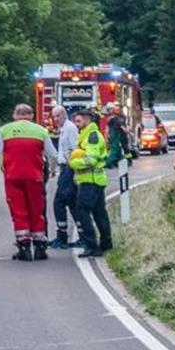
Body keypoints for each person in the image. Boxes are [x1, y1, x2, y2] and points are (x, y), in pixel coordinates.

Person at [0, 104, 57, 261]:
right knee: (36, 211)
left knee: (19, 212)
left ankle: (24, 247)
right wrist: (53, 170)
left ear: (15, 115)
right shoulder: (40, 131)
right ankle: (40, 247)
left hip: (13, 177)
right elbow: (52, 155)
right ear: (31, 115)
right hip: (35, 177)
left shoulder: (5, 130)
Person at [69, 108, 113, 257]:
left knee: (82, 212)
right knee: (99, 213)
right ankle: (106, 244)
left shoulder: (92, 136)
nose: (76, 124)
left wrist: (74, 163)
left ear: (88, 120)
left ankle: (91, 245)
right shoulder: (87, 135)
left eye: (79, 121)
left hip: (90, 181)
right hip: (94, 180)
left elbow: (91, 159)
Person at [48, 105, 80, 249]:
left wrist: (70, 170)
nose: (55, 119)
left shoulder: (70, 128)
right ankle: (81, 234)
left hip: (69, 168)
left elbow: (73, 149)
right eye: (54, 116)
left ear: (64, 115)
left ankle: (62, 236)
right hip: (65, 168)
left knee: (59, 203)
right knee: (72, 203)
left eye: (58, 116)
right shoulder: (63, 129)